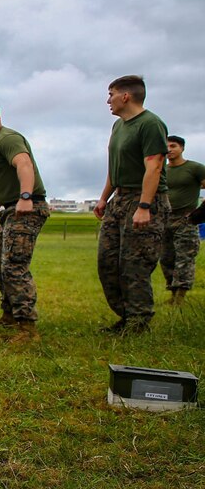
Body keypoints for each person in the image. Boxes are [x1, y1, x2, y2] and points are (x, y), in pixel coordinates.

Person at [94, 75, 170, 334]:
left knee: (134, 263)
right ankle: (125, 316)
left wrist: (145, 206)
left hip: (145, 198)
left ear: (126, 96)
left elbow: (155, 166)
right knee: (108, 261)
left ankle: (138, 322)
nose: (108, 100)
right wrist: (105, 197)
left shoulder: (150, 124)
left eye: (111, 94)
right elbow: (114, 167)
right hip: (120, 198)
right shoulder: (118, 127)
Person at [0, 100, 49, 344]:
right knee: (1, 266)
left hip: (26, 207)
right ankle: (9, 315)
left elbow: (24, 164)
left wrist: (25, 197)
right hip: (9, 210)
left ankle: (27, 328)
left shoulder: (8, 138)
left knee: (14, 265)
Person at [159, 136, 205, 305]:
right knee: (166, 258)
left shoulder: (194, 168)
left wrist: (200, 212)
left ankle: (180, 297)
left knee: (184, 257)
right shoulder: (162, 170)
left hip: (186, 218)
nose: (169, 149)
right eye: (166, 146)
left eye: (173, 146)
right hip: (165, 219)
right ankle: (172, 294)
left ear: (182, 148)